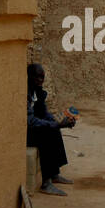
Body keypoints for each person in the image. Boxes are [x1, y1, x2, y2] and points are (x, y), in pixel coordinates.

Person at [27, 63, 75, 196]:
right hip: (23, 132)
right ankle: (46, 183)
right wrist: (54, 125)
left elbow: (44, 113)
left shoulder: (36, 92)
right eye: (37, 77)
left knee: (54, 129)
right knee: (46, 135)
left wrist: (58, 122)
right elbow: (30, 121)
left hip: (32, 128)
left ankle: (54, 173)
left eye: (42, 77)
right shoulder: (24, 93)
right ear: (29, 76)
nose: (40, 80)